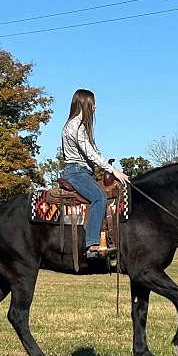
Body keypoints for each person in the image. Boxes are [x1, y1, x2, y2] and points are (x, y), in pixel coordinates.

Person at [61, 88, 129, 258]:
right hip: (76, 171)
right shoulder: (76, 126)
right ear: (85, 104)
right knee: (99, 197)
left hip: (83, 171)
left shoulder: (79, 126)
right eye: (93, 104)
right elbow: (90, 153)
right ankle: (92, 244)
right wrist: (112, 169)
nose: (95, 108)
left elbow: (95, 151)